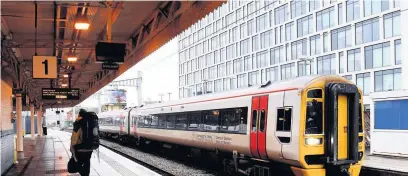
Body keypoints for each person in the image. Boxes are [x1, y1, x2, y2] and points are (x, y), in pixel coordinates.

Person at [70, 109, 94, 176]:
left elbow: (74, 139)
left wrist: (71, 149)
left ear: (79, 115)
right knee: (87, 163)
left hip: (80, 149)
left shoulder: (78, 124)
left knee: (79, 165)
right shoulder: (90, 123)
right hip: (90, 148)